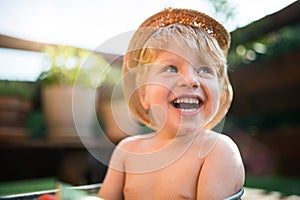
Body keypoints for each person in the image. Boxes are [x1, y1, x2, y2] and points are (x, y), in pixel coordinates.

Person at [98, 8, 245, 200]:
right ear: (144, 95)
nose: (190, 80)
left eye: (204, 69)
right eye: (171, 68)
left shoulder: (217, 151)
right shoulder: (126, 152)